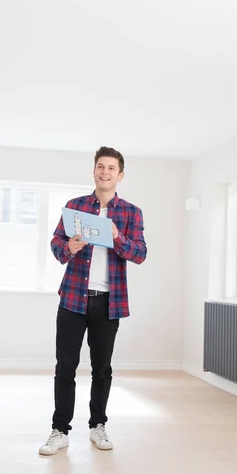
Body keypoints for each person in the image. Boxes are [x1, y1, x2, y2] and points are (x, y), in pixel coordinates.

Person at [39, 146, 147, 455]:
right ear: (94, 170)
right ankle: (59, 431)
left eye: (111, 168)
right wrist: (69, 247)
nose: (105, 172)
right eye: (101, 166)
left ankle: (98, 426)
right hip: (73, 299)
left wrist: (117, 237)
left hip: (108, 302)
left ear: (120, 175)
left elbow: (139, 254)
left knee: (102, 368)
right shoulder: (74, 207)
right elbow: (56, 245)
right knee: (66, 367)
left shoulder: (130, 213)